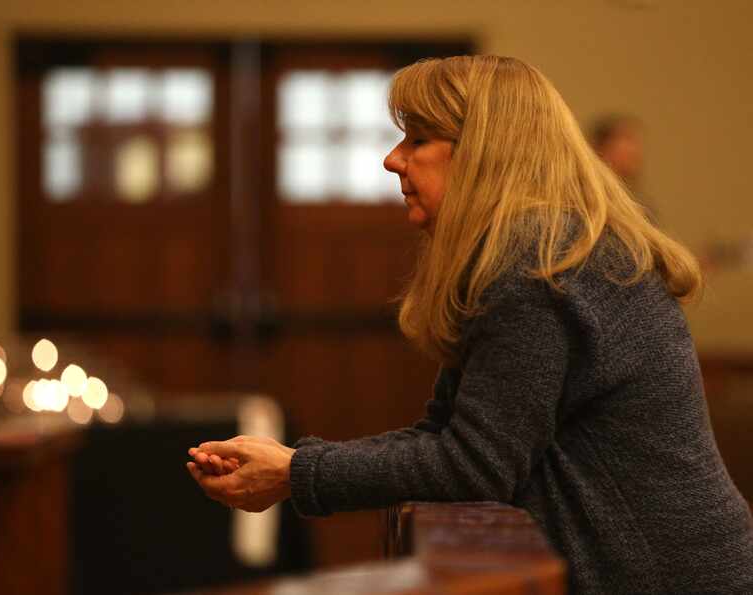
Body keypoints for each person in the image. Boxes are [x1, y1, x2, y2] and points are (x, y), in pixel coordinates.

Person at [186, 55, 753, 594]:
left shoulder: (539, 262)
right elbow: (446, 436)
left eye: (419, 140)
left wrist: (295, 472)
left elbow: (473, 467)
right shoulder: (548, 248)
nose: (392, 160)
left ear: (485, 152)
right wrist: (293, 464)